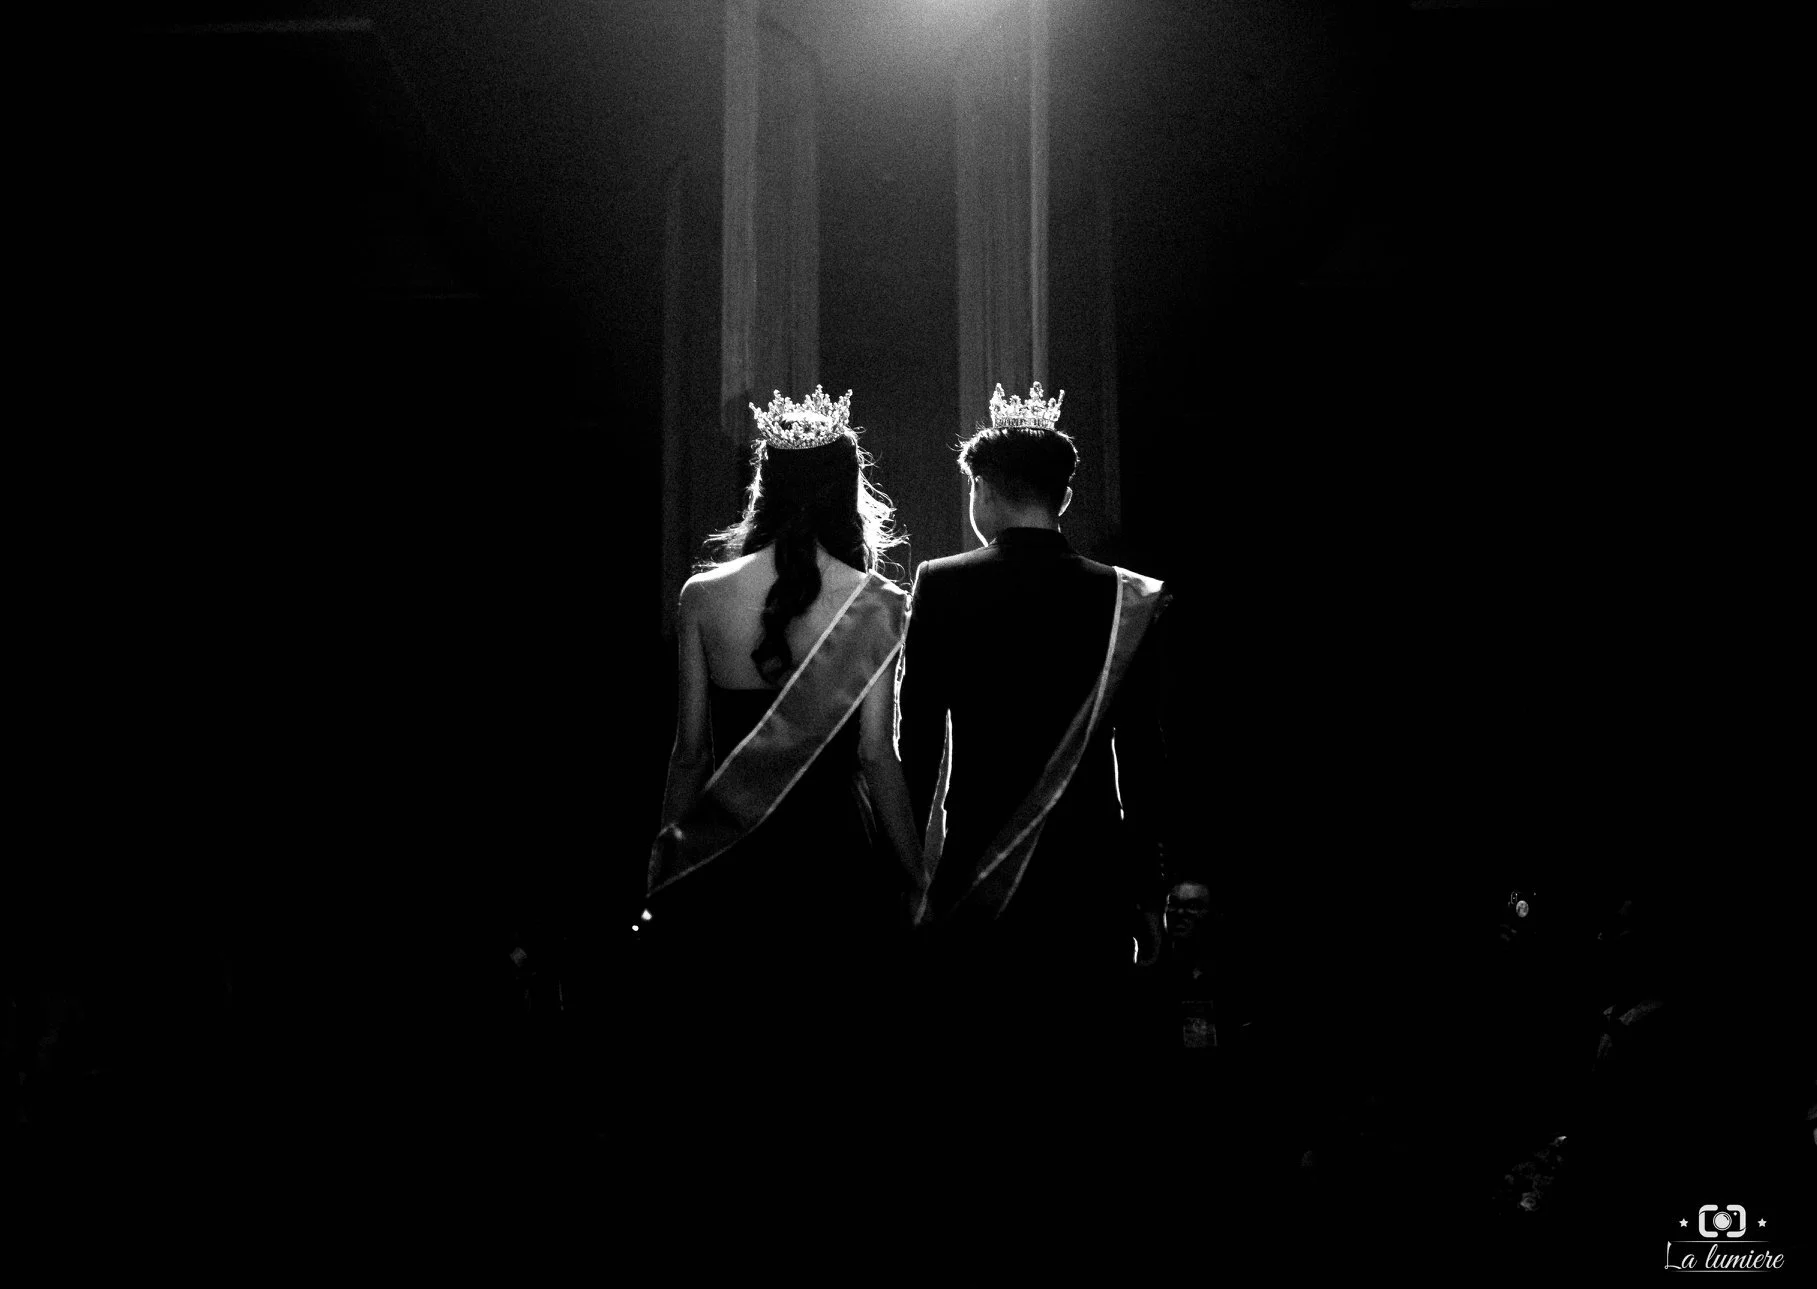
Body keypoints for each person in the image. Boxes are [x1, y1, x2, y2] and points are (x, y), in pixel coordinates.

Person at [638, 387, 920, 1145]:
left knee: (736, 1069)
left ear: (762, 485)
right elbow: (876, 755)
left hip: (731, 859)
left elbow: (690, 751)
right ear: (847, 490)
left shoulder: (702, 596)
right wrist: (915, 869)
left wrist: (663, 862)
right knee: (831, 1071)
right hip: (836, 860)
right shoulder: (879, 602)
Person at [896, 381, 1172, 1135]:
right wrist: (1148, 892)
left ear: (982, 491)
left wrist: (907, 879)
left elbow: (916, 749)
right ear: (1065, 494)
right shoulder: (1127, 598)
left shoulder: (941, 584)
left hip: (976, 873)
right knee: (1080, 1093)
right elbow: (1142, 763)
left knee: (983, 1091)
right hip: (1091, 883)